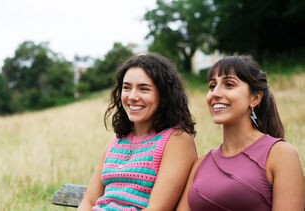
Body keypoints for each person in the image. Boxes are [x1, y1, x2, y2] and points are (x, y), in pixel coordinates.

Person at [176, 56, 304, 211]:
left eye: (229, 84)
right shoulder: (200, 164)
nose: (215, 93)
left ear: (255, 98)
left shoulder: (280, 154)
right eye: (212, 86)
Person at [78, 53, 198, 210]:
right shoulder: (116, 143)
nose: (132, 97)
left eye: (144, 89)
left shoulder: (177, 140)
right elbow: (88, 200)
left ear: (163, 95)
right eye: (127, 88)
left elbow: (157, 209)